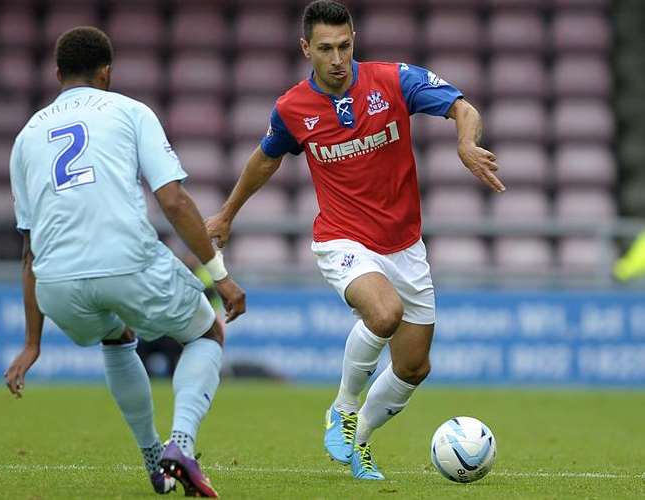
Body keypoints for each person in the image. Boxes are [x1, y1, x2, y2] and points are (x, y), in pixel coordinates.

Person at [206, 0, 504, 481]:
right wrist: (227, 213)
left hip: (405, 245)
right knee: (383, 313)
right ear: (306, 48)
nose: (338, 58)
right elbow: (266, 158)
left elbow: (461, 106)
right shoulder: (291, 108)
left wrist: (466, 142)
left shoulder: (394, 80)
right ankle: (343, 409)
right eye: (325, 49)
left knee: (413, 367)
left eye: (345, 46)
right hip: (341, 238)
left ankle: (359, 439)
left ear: (354, 40)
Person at [3, 27, 246, 497]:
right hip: (125, 261)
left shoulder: (25, 137)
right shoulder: (131, 111)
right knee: (207, 332)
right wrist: (221, 276)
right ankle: (181, 445)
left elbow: (28, 249)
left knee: (117, 338)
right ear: (107, 73)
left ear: (57, 75)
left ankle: (152, 457)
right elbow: (173, 201)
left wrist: (32, 343)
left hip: (56, 282)